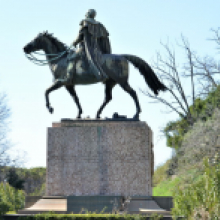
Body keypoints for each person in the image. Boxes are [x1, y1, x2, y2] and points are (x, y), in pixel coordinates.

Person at [63, 9, 111, 85]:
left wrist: (74, 43)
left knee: (72, 57)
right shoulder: (99, 25)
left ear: (88, 14)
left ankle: (69, 77)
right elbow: (104, 38)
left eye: (86, 13)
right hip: (97, 49)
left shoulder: (85, 22)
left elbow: (80, 36)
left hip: (86, 48)